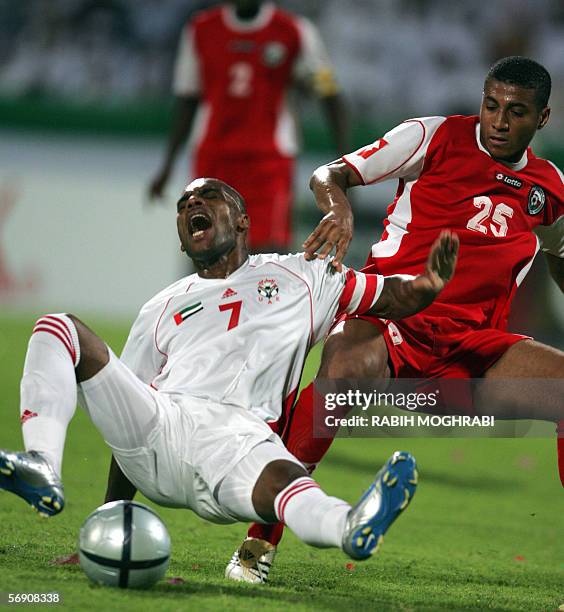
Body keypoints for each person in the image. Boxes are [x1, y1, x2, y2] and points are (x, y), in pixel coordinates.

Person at [0, 178, 458, 568]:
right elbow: (130, 411)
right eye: (183, 206)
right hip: (161, 425)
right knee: (58, 328)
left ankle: (351, 525)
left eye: (207, 197)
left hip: (238, 440)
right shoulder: (159, 308)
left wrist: (429, 285)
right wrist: (109, 516)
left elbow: (393, 297)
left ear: (242, 221)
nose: (192, 205)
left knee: (292, 486)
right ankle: (42, 463)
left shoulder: (306, 275)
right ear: (182, 240)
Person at [230, 55, 563, 583]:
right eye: (491, 105)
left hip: (473, 347)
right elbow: (330, 173)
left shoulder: (550, 187)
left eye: (516, 112)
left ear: (541, 119)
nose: (498, 122)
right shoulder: (432, 137)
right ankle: (257, 546)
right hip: (393, 318)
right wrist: (337, 207)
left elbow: (559, 252)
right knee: (338, 376)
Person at [148, 0, 348, 253]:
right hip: (214, 159)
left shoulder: (294, 31)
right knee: (206, 247)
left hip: (268, 162)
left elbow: (329, 94)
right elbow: (187, 98)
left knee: (269, 251)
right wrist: (167, 165)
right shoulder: (200, 29)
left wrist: (344, 164)